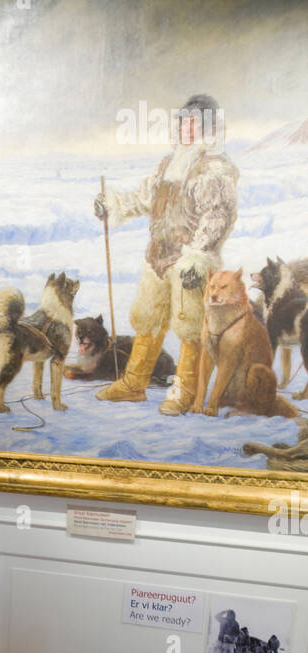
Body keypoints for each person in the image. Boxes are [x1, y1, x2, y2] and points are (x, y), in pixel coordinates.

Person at [94, 94, 239, 415]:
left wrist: (198, 256)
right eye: (184, 122)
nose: (187, 129)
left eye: (195, 123)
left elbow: (218, 216)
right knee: (147, 318)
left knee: (189, 326)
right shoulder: (166, 164)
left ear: (208, 128)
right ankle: (133, 384)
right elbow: (145, 199)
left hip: (190, 262)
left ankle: (184, 391)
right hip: (158, 257)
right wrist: (114, 205)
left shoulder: (212, 167)